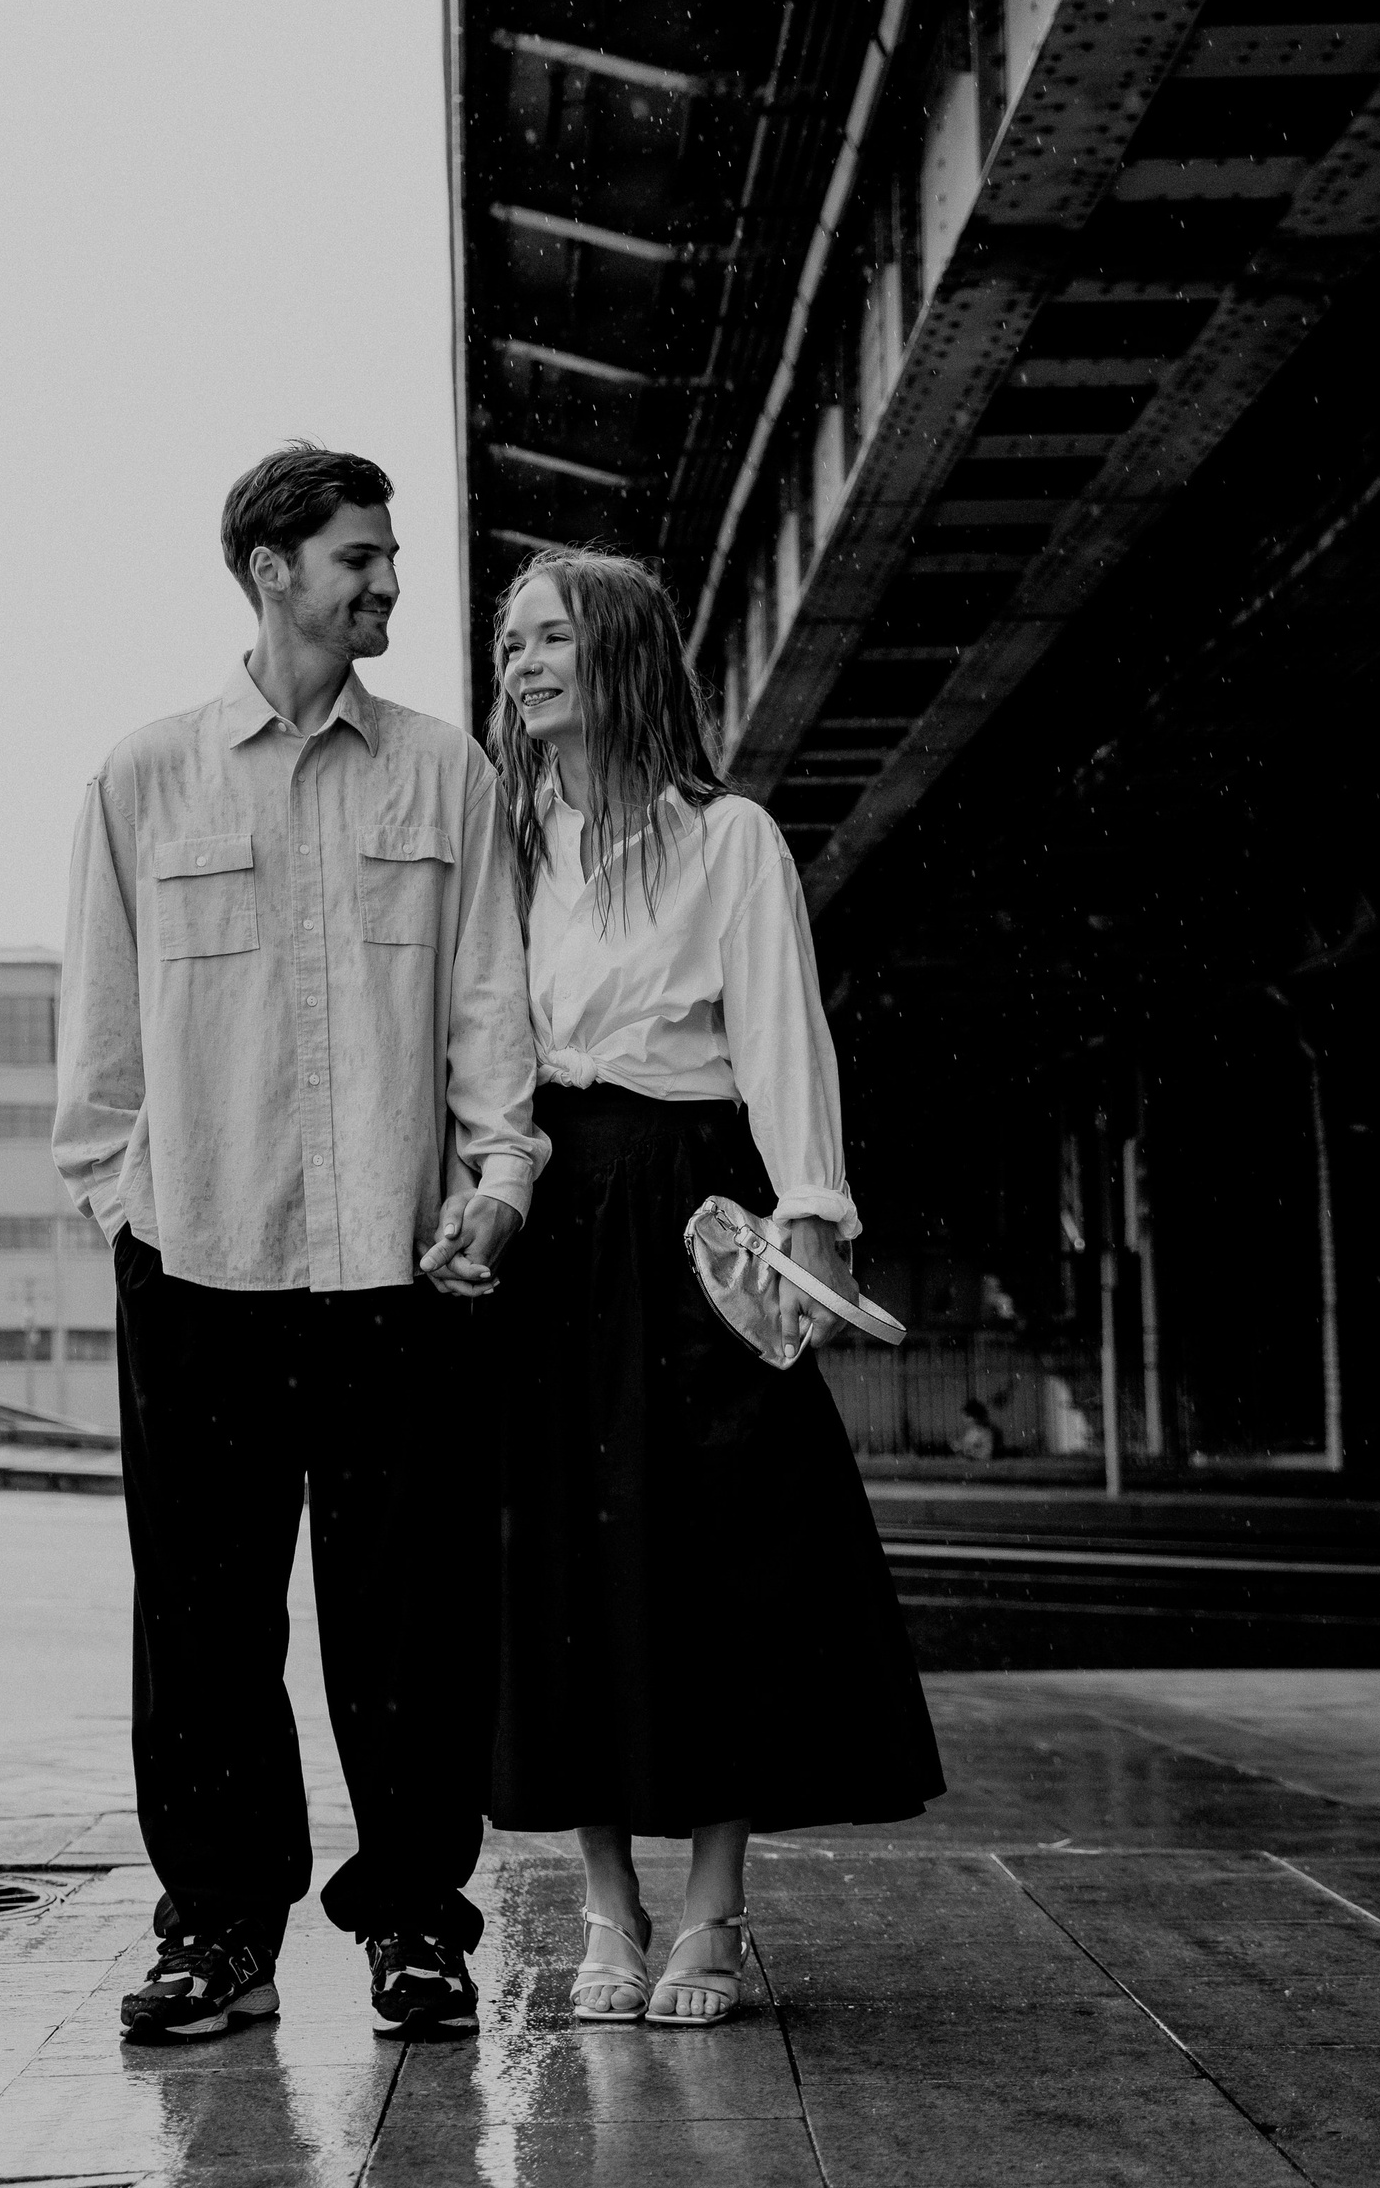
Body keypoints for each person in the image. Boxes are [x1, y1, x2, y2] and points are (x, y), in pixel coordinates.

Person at [53, 443, 540, 2046]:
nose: (388, 579)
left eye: (388, 555)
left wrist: (498, 1178)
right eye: (359, 557)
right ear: (272, 570)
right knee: (201, 1623)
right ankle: (218, 1928)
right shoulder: (144, 778)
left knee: (413, 1620)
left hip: (405, 1268)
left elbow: (488, 1005)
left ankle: (417, 1925)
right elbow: (100, 1037)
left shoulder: (445, 774)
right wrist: (129, 1210)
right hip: (200, 1261)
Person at [425, 547, 943, 2030]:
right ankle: (608, 1903)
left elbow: (782, 1035)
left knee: (724, 1544)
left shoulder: (729, 838)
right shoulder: (504, 840)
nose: (521, 665)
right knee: (562, 1554)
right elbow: (479, 1041)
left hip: (696, 1206)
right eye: (511, 643)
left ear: (626, 654)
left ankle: (714, 1903)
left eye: (551, 639)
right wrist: (482, 1192)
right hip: (553, 1207)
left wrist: (815, 1218)